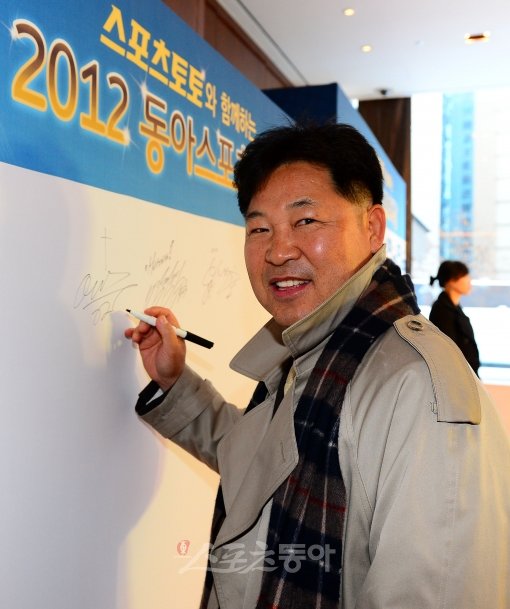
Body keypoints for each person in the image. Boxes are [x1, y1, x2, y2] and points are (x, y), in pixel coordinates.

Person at [125, 122, 510, 609]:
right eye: (259, 228)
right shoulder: (315, 351)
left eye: (305, 221)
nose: (278, 251)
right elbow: (265, 467)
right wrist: (175, 383)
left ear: (372, 227)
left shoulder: (418, 387)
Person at [429, 260, 481, 375]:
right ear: (451, 281)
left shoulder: (453, 306)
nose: (469, 280)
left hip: (466, 374)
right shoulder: (442, 310)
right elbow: (447, 350)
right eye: (465, 276)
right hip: (457, 375)